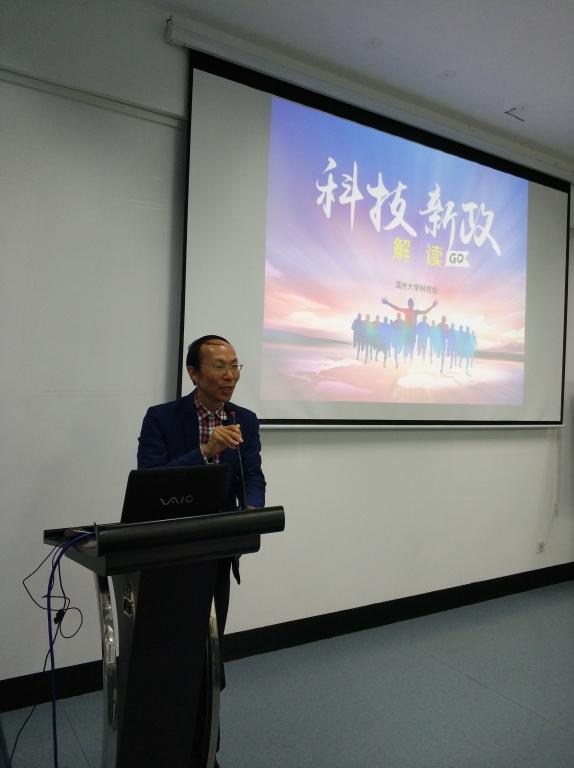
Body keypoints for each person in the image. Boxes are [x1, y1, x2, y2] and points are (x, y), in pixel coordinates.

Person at [137, 334, 266, 766]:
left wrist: (253, 511)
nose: (230, 376)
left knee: (210, 657)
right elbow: (150, 481)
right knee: (171, 659)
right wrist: (206, 451)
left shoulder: (245, 419)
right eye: (220, 367)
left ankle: (206, 750)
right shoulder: (161, 418)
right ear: (194, 373)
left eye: (235, 366)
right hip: (168, 555)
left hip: (218, 551)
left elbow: (253, 476)